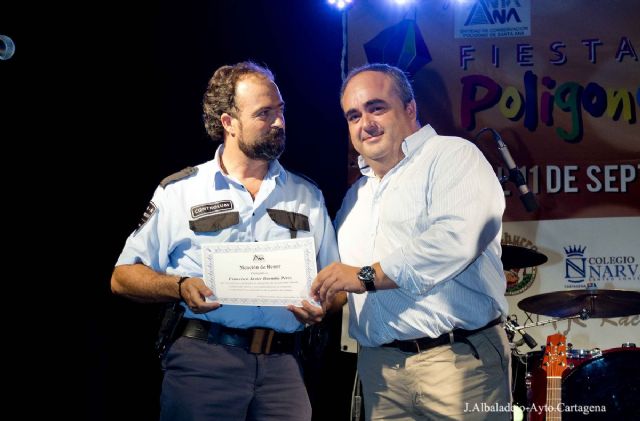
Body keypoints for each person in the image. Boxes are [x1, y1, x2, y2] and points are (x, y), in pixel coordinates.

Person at [111, 61, 341, 421]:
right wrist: (180, 286)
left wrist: (323, 305)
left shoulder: (307, 194)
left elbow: (336, 282)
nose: (279, 122)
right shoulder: (180, 191)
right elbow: (123, 277)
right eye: (264, 114)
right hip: (204, 361)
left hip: (284, 368)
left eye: (281, 111)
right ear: (228, 122)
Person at [312, 63, 511, 420]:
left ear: (410, 109)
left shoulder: (452, 156)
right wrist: (316, 297)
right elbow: (342, 278)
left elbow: (454, 241)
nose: (365, 123)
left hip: (457, 365)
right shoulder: (356, 196)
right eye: (353, 115)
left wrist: (363, 276)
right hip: (380, 372)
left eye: (376, 107)